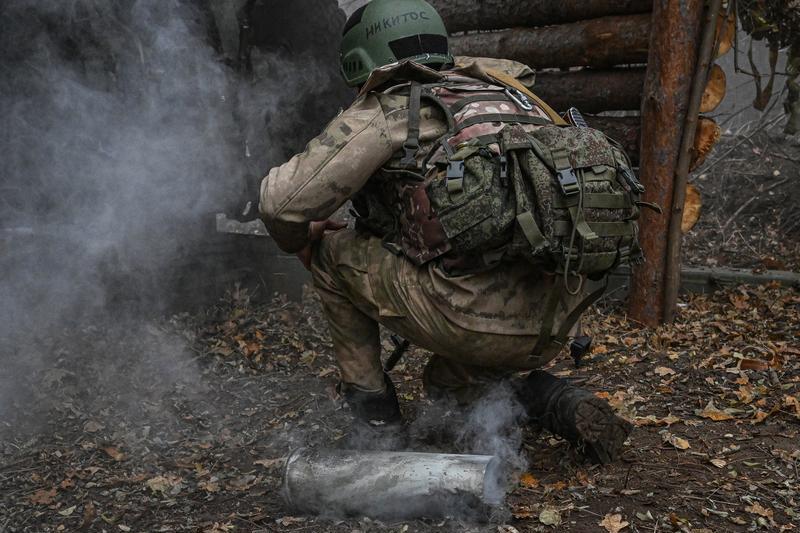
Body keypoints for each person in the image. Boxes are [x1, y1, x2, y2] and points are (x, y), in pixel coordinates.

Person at [259, 0, 633, 463]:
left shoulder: (394, 107)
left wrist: (301, 242)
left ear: (360, 60)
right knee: (446, 386)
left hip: (466, 317)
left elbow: (280, 202)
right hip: (554, 322)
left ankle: (375, 421)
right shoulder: (515, 95)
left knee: (331, 253)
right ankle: (554, 399)